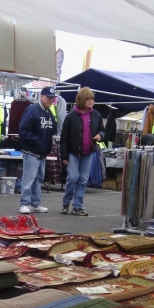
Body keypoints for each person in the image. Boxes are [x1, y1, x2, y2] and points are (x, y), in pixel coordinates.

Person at [59, 87, 104, 216]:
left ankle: (77, 206)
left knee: (83, 180)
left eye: (92, 99)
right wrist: (64, 156)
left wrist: (100, 135)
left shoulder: (96, 115)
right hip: (73, 152)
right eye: (88, 99)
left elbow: (102, 130)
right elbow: (64, 139)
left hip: (88, 152)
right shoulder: (71, 116)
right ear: (81, 100)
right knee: (72, 177)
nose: (91, 101)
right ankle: (66, 203)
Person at [18, 86, 57, 214]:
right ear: (41, 96)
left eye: (52, 98)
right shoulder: (32, 110)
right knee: (29, 178)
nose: (50, 100)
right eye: (48, 97)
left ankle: (35, 203)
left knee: (39, 178)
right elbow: (23, 131)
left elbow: (52, 131)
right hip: (31, 151)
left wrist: (47, 145)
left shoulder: (50, 113)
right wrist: (39, 141)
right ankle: (24, 203)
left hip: (42, 152)